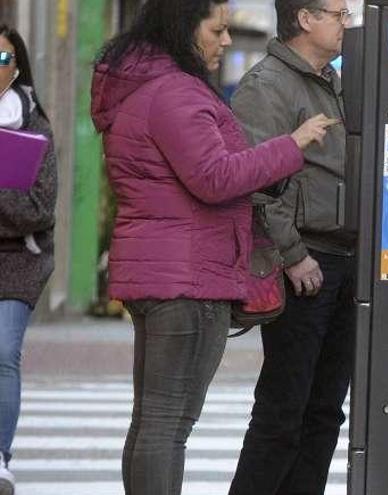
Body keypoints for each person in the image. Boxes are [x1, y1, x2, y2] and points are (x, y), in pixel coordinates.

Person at [90, 1, 336, 494]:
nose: (226, 41)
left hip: (160, 269)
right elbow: (215, 177)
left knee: (153, 421)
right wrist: (292, 145)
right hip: (188, 276)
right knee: (168, 424)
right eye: (217, 30)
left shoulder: (141, 87)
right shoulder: (175, 93)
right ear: (184, 28)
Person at [227, 0, 353, 493]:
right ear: (305, 18)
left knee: (324, 411)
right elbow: (257, 183)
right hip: (305, 259)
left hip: (344, 259)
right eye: (338, 14)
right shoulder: (268, 85)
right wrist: (293, 254)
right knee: (284, 408)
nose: (345, 24)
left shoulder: (336, 82)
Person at [0, 23, 57, 495]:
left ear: (17, 66)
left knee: (3, 354)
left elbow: (38, 209)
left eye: (3, 61)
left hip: (19, 259)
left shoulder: (35, 125)